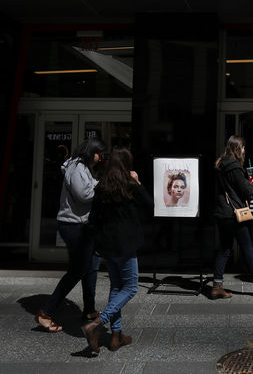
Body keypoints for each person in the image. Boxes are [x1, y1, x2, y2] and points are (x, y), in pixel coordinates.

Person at [82, 148, 152, 353]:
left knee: (116, 287)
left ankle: (116, 335)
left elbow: (93, 219)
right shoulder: (130, 185)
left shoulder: (102, 186)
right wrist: (138, 182)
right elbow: (150, 206)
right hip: (126, 244)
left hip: (107, 245)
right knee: (130, 287)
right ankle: (97, 324)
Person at [35, 138, 106, 333]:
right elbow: (84, 196)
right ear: (92, 153)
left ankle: (89, 310)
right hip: (74, 225)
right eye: (100, 153)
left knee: (92, 265)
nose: (101, 158)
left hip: (83, 225)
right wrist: (103, 187)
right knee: (78, 269)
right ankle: (46, 313)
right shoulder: (77, 168)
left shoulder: (83, 169)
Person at [210, 135, 253, 299]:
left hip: (222, 212)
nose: (244, 150)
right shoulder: (234, 167)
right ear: (238, 148)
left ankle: (217, 285)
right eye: (243, 148)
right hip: (234, 213)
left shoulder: (220, 165)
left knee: (224, 249)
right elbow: (244, 189)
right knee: (247, 248)